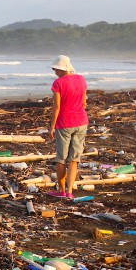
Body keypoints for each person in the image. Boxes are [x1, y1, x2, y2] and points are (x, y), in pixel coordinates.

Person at [47, 55, 89, 199]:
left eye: (56, 69)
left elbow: (57, 107)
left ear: (61, 69)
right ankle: (70, 192)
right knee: (74, 159)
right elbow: (84, 103)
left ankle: (61, 190)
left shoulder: (58, 83)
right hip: (81, 122)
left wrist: (52, 126)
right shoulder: (81, 79)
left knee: (61, 158)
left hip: (64, 123)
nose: (54, 72)